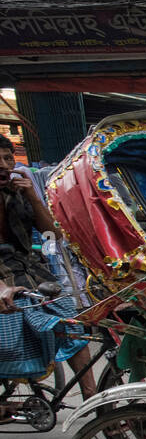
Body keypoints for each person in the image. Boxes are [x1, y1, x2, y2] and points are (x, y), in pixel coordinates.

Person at [0, 137, 96, 397]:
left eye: (8, 158)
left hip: (28, 270)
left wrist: (32, 194)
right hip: (3, 277)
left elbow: (53, 234)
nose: (4, 165)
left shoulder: (17, 194)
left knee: (70, 323)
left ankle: (92, 395)